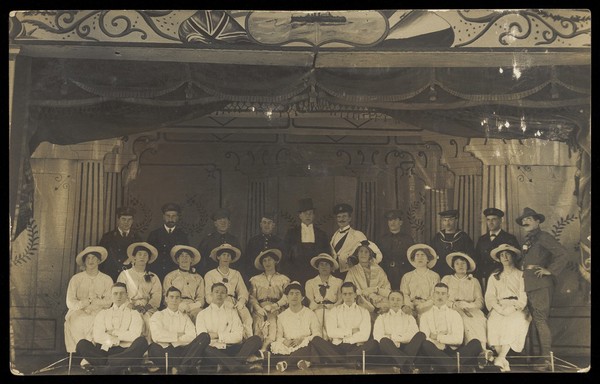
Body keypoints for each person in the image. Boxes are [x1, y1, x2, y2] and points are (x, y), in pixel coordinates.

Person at [516, 207, 569, 371]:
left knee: (540, 320)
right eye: (524, 220)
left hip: (540, 285)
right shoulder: (529, 239)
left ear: (538, 221)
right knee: (534, 320)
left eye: (529, 219)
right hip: (530, 284)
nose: (525, 222)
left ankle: (546, 360)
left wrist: (550, 271)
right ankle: (538, 357)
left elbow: (562, 254)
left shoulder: (544, 237)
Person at [75, 282, 149, 374]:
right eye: (115, 293)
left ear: (127, 295)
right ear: (111, 296)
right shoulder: (103, 313)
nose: (119, 296)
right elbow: (98, 336)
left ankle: (103, 369)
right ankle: (115, 367)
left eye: (122, 293)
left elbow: (134, 335)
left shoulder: (134, 314)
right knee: (82, 343)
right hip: (104, 351)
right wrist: (117, 339)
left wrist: (114, 332)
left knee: (142, 341)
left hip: (125, 351)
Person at [195, 282, 263, 373]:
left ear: (226, 296)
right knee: (205, 348)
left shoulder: (232, 312)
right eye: (217, 292)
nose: (219, 294)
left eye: (223, 292)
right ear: (211, 294)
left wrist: (217, 335)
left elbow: (238, 337)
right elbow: (203, 338)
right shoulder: (202, 314)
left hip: (231, 348)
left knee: (256, 339)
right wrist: (227, 336)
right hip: (214, 350)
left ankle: (227, 364)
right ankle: (237, 365)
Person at [310, 281, 378, 370]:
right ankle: (349, 361)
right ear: (341, 295)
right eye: (345, 294)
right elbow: (331, 332)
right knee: (316, 340)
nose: (347, 297)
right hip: (337, 347)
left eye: (350, 293)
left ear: (355, 295)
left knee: (374, 343)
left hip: (356, 347)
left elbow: (365, 335)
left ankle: (339, 361)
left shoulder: (364, 312)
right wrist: (351, 331)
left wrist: (345, 338)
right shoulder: (334, 311)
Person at [485, 244, 531, 372]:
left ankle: (500, 358)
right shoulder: (494, 277)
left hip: (516, 307)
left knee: (512, 321)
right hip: (499, 306)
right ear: (499, 258)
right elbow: (490, 297)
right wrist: (499, 309)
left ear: (514, 256)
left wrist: (513, 308)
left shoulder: (521, 275)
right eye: (501, 255)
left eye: (507, 254)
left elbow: (523, 296)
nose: (504, 257)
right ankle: (502, 359)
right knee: (493, 322)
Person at [420, 283, 484, 373]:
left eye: (443, 293)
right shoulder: (425, 316)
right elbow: (425, 338)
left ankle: (445, 366)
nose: (440, 296)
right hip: (434, 351)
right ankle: (458, 367)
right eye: (437, 293)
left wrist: (437, 337)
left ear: (447, 296)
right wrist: (440, 342)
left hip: (452, 350)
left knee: (476, 343)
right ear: (432, 295)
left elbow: (458, 340)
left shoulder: (454, 314)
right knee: (425, 344)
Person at [147, 286, 210, 374]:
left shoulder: (185, 317)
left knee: (204, 336)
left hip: (182, 349)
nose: (174, 300)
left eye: (177, 297)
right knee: (154, 349)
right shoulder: (158, 315)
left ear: (180, 300)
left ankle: (180, 368)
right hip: (164, 349)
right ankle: (187, 364)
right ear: (166, 299)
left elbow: (192, 336)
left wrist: (170, 339)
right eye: (171, 297)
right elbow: (157, 336)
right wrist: (178, 335)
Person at [64, 246, 113, 354]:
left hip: (100, 311)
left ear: (99, 261)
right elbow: (70, 302)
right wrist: (84, 303)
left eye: (94, 258)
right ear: (84, 261)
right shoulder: (76, 279)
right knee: (78, 321)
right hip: (78, 311)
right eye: (88, 258)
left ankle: (91, 356)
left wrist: (94, 302)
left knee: (100, 321)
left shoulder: (107, 279)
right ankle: (87, 354)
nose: (91, 261)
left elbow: (109, 302)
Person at [203, 243, 253, 340]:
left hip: (234, 302)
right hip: (218, 301)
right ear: (218, 257)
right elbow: (208, 295)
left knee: (246, 315)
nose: (226, 258)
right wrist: (221, 302)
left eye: (228, 255)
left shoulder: (236, 273)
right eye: (223, 255)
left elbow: (242, 291)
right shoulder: (210, 274)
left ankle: (248, 340)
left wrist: (241, 302)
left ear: (231, 258)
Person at [269, 281, 321, 372]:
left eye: (297, 294)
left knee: (310, 346)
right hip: (289, 345)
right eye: (291, 294)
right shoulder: (282, 316)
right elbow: (279, 336)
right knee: (274, 347)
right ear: (287, 297)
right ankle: (303, 362)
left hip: (304, 344)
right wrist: (285, 341)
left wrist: (302, 339)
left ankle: (286, 363)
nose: (294, 296)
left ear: (302, 297)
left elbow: (317, 334)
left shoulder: (310, 313)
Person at [116, 242, 162, 342]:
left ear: (148, 259)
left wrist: (146, 307)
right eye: (139, 254)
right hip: (129, 307)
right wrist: (133, 306)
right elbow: (120, 293)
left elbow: (156, 296)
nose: (142, 257)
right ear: (134, 257)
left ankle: (148, 349)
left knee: (150, 321)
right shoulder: (125, 274)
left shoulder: (153, 276)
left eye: (145, 255)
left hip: (148, 308)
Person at [441, 252, 487, 350]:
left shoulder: (474, 281)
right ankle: (466, 350)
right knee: (457, 320)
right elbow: (440, 297)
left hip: (470, 309)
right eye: (457, 263)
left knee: (478, 320)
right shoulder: (447, 279)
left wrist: (469, 305)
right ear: (453, 266)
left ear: (468, 266)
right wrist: (452, 304)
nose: (460, 266)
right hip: (451, 308)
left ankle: (481, 350)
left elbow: (480, 302)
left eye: (463, 263)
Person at [248, 248, 290, 355]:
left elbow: (287, 296)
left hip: (277, 308)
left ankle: (266, 348)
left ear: (275, 261)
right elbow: (252, 297)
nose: (267, 263)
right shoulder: (255, 279)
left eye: (270, 259)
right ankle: (256, 350)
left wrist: (275, 305)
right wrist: (258, 308)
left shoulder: (284, 279)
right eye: (265, 260)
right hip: (260, 308)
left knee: (273, 320)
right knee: (258, 323)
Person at [373, 290, 426, 374]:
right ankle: (408, 364)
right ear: (388, 301)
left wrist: (392, 336)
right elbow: (377, 336)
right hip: (390, 351)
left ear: (403, 302)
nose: (395, 302)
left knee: (421, 335)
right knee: (384, 340)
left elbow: (413, 335)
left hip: (406, 348)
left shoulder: (409, 317)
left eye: (398, 300)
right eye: (392, 299)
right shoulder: (381, 317)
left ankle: (403, 365)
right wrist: (401, 337)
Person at [282, 198, 330, 284]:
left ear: (314, 215)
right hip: (295, 275)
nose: (308, 216)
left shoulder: (321, 234)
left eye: (310, 213)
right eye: (305, 213)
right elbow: (285, 256)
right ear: (300, 215)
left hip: (316, 276)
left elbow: (326, 256)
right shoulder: (291, 233)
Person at [474, 208, 519, 292]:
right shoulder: (482, 239)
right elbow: (477, 259)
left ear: (501, 220)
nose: (490, 222)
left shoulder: (509, 238)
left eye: (494, 219)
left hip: (502, 276)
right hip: (484, 277)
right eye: (488, 220)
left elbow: (517, 259)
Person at [344, 240, 391, 317]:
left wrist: (375, 290)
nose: (363, 254)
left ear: (370, 255)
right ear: (357, 254)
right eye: (361, 251)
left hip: (379, 302)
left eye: (366, 252)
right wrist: (362, 293)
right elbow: (347, 289)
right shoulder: (352, 271)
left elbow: (387, 290)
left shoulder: (379, 270)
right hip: (360, 303)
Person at [147, 203, 190, 283]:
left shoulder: (183, 235)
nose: (171, 219)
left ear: (178, 217)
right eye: (168, 216)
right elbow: (148, 256)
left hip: (175, 275)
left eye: (174, 216)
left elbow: (186, 256)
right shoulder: (154, 234)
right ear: (163, 217)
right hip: (157, 273)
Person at [305, 253, 343, 340]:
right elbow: (310, 299)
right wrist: (317, 306)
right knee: (317, 333)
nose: (324, 267)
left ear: (331, 267)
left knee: (333, 334)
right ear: (317, 267)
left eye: (327, 264)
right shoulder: (310, 283)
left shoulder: (338, 282)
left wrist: (333, 307)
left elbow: (341, 299)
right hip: (316, 311)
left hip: (332, 310)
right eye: (321, 264)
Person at [162, 245, 205, 321]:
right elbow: (166, 296)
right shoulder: (170, 276)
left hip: (193, 307)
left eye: (187, 256)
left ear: (191, 259)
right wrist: (179, 305)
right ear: (177, 259)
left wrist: (193, 306)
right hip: (174, 304)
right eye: (181, 256)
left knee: (200, 315)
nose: (184, 258)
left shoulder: (198, 278)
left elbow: (201, 298)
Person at [99, 207, 142, 281]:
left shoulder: (137, 238)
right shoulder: (108, 237)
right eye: (123, 219)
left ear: (132, 221)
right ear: (118, 220)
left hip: (129, 277)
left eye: (129, 219)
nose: (126, 222)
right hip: (111, 275)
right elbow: (100, 257)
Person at [197, 208, 242, 276]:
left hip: (230, 276)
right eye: (219, 220)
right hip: (211, 276)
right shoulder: (207, 240)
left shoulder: (234, 240)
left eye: (225, 220)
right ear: (215, 224)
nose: (223, 223)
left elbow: (240, 262)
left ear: (229, 223)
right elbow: (199, 260)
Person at [399, 244, 440, 320]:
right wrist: (410, 306)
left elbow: (434, 296)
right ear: (413, 259)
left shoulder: (434, 276)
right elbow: (404, 294)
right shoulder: (407, 276)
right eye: (417, 255)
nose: (420, 258)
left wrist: (423, 306)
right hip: (410, 307)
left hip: (428, 307)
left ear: (428, 259)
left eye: (423, 255)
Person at [377, 209, 415, 290]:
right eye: (390, 220)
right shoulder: (382, 239)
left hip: (402, 273)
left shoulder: (408, 239)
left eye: (395, 220)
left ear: (401, 222)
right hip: (385, 272)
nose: (392, 222)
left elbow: (412, 258)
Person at [430, 209, 475, 278]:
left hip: (459, 275)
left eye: (450, 220)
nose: (447, 223)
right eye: (445, 220)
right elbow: (431, 257)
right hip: (440, 273)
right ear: (442, 222)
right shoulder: (437, 238)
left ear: (456, 220)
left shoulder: (464, 237)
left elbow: (470, 258)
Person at [244, 211, 284, 285]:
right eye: (264, 222)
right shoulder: (253, 241)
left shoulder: (279, 241)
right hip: (256, 277)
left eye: (269, 223)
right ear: (260, 224)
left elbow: (282, 262)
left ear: (273, 225)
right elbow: (247, 262)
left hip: (275, 278)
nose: (266, 225)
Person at [329, 203, 367, 275]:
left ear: (349, 218)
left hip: (351, 272)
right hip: (334, 272)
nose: (341, 219)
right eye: (339, 217)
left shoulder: (358, 235)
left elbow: (366, 254)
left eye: (344, 216)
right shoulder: (333, 236)